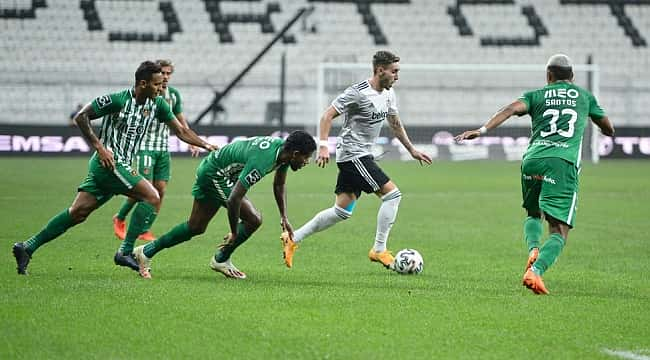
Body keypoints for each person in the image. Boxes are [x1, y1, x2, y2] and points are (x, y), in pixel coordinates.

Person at [12, 61, 217, 275]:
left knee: (78, 213)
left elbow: (181, 131)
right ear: (143, 83)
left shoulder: (158, 104)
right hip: (109, 163)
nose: (161, 88)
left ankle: (27, 247)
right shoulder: (118, 100)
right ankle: (125, 251)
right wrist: (100, 147)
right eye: (156, 84)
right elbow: (81, 117)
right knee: (152, 197)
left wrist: (204, 144)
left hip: (119, 165)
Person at [454, 54, 614, 295]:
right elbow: (608, 128)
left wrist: (482, 130)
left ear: (548, 76)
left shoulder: (535, 95)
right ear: (572, 77)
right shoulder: (584, 97)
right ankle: (535, 271)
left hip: (532, 160)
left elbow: (509, 109)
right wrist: (600, 124)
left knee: (533, 212)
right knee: (559, 230)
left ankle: (533, 249)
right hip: (561, 163)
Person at [280, 50, 432, 270]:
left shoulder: (389, 94)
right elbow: (327, 115)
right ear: (380, 70)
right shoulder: (358, 92)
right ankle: (379, 249)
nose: (397, 76)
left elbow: (395, 123)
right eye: (394, 71)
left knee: (341, 211)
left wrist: (411, 150)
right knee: (393, 195)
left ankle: (293, 238)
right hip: (353, 155)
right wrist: (323, 146)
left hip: (361, 155)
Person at [131, 130, 317, 280]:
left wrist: (284, 217)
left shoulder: (283, 153)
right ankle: (221, 259)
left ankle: (145, 252)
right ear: (295, 154)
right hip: (216, 175)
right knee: (253, 219)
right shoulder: (263, 160)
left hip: (213, 169)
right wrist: (234, 232)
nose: (306, 162)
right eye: (306, 158)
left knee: (195, 226)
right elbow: (234, 198)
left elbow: (279, 184)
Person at [112, 59, 200, 242]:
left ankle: (145, 229)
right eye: (163, 73)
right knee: (145, 188)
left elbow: (180, 120)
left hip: (163, 147)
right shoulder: (149, 94)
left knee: (161, 189)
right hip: (145, 146)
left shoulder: (174, 95)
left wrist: (192, 141)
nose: (166, 77)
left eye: (169, 74)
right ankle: (120, 217)